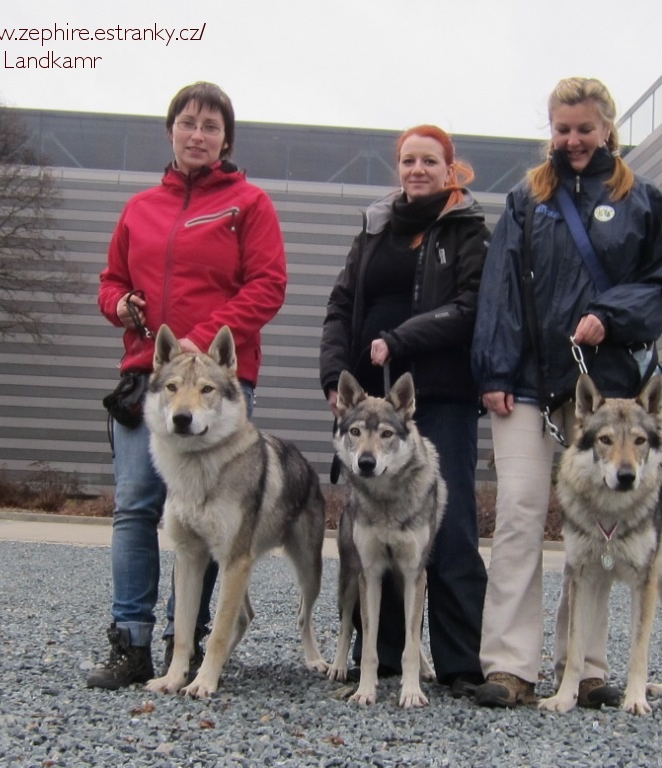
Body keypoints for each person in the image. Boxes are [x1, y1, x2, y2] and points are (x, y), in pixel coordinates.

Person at [470, 77, 662, 708]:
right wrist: (493, 370)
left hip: (604, 389)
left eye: (583, 129)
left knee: (599, 525)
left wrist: (611, 312)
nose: (571, 140)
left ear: (607, 128)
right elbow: (501, 286)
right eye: (562, 128)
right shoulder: (525, 199)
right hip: (526, 381)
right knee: (518, 513)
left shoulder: (642, 200)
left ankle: (584, 665)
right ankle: (511, 664)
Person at [88, 81, 287, 689]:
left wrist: (199, 345)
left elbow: (268, 285)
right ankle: (131, 643)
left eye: (210, 125)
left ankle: (194, 647)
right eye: (187, 122)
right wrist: (117, 304)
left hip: (218, 389)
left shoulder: (248, 204)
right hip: (147, 382)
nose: (197, 134)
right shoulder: (139, 208)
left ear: (226, 138)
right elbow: (109, 280)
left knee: (211, 522)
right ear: (170, 130)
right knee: (136, 508)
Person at [319, 125, 490, 695]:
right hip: (370, 406)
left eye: (430, 161)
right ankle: (386, 659)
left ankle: (462, 664)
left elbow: (472, 306)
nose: (417, 170)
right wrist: (331, 375)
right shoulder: (373, 228)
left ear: (450, 169)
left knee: (453, 528)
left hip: (438, 397)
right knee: (373, 533)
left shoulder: (467, 229)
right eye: (408, 161)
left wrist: (403, 338)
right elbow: (342, 305)